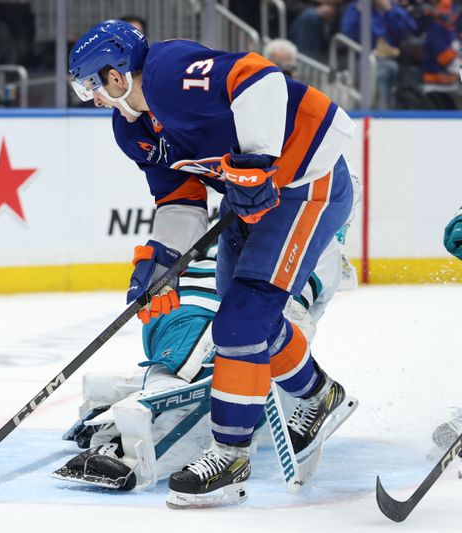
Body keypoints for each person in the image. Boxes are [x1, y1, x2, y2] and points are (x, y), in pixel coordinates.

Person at [67, 20, 357, 507]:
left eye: (89, 85)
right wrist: (161, 262)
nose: (90, 97)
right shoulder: (130, 130)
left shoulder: (165, 72)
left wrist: (259, 161)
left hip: (307, 183)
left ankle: (230, 457)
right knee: (242, 318)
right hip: (253, 201)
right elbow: (180, 200)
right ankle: (318, 395)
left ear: (116, 75)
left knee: (242, 322)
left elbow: (258, 77)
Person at [53, 220, 357, 493]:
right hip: (205, 311)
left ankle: (115, 417)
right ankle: (123, 450)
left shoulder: (241, 208)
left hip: (176, 308)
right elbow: (291, 308)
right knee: (194, 390)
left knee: (184, 375)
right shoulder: (320, 238)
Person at [340, 0, 418, 109]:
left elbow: (408, 32)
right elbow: (348, 35)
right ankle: (381, 112)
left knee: (396, 69)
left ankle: (394, 110)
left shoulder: (392, 8)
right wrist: (360, 13)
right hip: (363, 60)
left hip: (397, 60)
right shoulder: (355, 9)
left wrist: (389, 10)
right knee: (384, 69)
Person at [421, 0, 460, 110]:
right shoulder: (436, 29)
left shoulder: (451, 30)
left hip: (451, 88)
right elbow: (443, 58)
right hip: (435, 87)